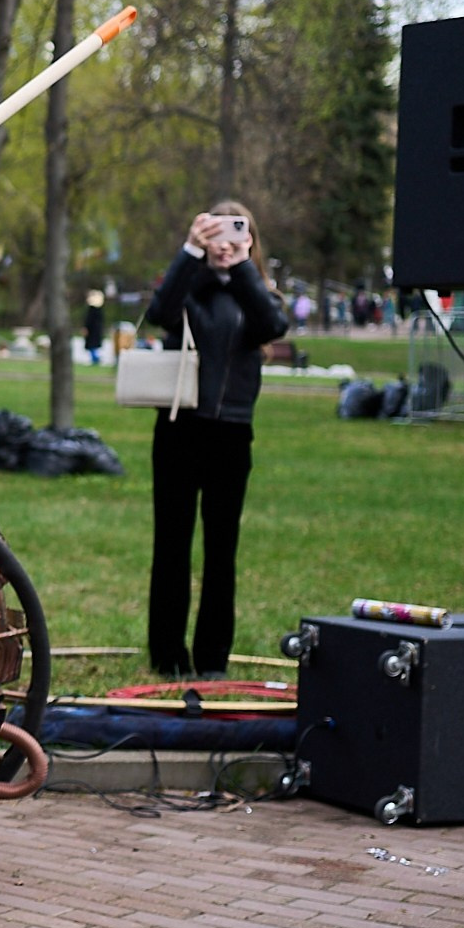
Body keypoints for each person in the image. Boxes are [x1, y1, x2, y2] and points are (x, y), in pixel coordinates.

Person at [143, 202, 288, 677]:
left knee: (221, 550)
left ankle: (212, 660)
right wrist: (189, 252)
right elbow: (159, 312)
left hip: (231, 435)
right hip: (179, 429)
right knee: (171, 546)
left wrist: (241, 265)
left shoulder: (258, 294)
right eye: (214, 234)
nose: (223, 243)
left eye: (235, 233)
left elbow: (272, 327)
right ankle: (167, 656)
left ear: (250, 239)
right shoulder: (189, 289)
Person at [82, 289, 107, 366]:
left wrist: (86, 327)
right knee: (93, 345)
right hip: (97, 330)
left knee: (92, 345)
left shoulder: (92, 310)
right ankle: (95, 358)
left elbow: (89, 320)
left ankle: (95, 359)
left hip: (92, 330)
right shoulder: (99, 310)